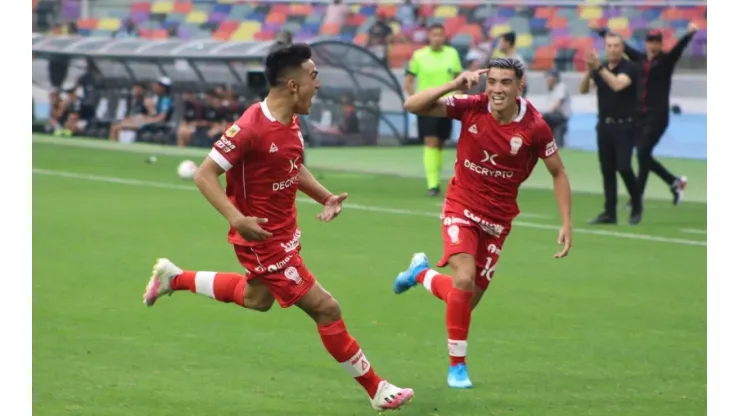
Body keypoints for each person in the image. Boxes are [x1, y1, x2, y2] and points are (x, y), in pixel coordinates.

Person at [141, 43, 414, 412]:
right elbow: (205, 175)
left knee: (258, 299)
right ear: (293, 85)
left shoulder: (292, 122)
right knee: (327, 309)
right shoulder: (250, 128)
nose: (318, 84)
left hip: (285, 233)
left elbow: (291, 165)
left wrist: (325, 197)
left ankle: (175, 278)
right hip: (262, 240)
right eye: (313, 76)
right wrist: (236, 219)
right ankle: (377, 389)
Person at [393, 58, 573, 389]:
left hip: (498, 219)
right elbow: (412, 105)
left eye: (506, 82)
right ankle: (457, 367)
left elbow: (558, 171)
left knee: (465, 299)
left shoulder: (534, 126)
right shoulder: (472, 106)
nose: (497, 89)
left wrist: (566, 222)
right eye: (492, 81)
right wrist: (453, 84)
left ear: (520, 87)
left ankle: (420, 274)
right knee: (463, 279)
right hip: (461, 204)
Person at [595, 24, 697, 206]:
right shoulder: (640, 60)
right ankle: (674, 182)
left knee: (642, 152)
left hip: (658, 116)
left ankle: (637, 197)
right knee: (643, 155)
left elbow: (678, 49)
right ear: (646, 43)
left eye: (657, 42)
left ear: (660, 44)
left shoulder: (666, 61)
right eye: (650, 42)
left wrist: (689, 33)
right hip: (639, 115)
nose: (653, 45)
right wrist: (604, 32)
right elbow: (623, 47)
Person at [579, 33, 642, 225]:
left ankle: (637, 203)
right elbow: (583, 89)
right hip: (604, 125)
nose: (613, 49)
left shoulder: (629, 67)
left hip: (625, 125)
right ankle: (609, 212)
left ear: (622, 48)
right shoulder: (601, 68)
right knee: (607, 170)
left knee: (623, 166)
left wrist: (598, 68)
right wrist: (590, 70)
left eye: (616, 45)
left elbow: (617, 84)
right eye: (609, 46)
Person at [404, 23, 463, 197]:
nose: (437, 38)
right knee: (430, 141)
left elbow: (459, 79)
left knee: (440, 143)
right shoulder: (419, 56)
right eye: (434, 34)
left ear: (444, 36)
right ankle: (433, 185)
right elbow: (408, 81)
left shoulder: (452, 54)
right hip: (428, 106)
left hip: (447, 106)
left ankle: (436, 179)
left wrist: (457, 98)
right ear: (429, 37)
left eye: (440, 35)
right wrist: (417, 100)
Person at [541, 69, 571, 147]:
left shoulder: (561, 86)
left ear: (554, 78)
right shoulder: (551, 90)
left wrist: (544, 115)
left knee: (541, 118)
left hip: (560, 116)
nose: (547, 79)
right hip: (554, 117)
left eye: (548, 77)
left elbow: (558, 102)